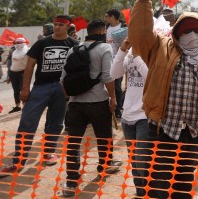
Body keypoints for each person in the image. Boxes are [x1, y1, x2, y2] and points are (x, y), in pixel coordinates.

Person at [129, 0, 198, 199]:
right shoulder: (160, 47)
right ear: (176, 32)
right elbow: (140, 33)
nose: (191, 34)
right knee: (158, 187)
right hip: (162, 130)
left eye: (196, 29)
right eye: (186, 29)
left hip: (194, 132)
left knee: (183, 187)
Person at [0, 15, 77, 176]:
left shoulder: (73, 44)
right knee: (27, 123)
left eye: (61, 25)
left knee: (55, 123)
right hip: (40, 87)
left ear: (68, 26)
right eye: (55, 24)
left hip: (61, 89)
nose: (56, 27)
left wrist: (70, 89)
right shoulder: (43, 42)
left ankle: (49, 153)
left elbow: (76, 68)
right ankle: (18, 160)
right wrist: (25, 88)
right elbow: (29, 66)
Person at [59, 20, 122, 197]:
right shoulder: (104, 48)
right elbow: (107, 76)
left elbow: (63, 78)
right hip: (97, 102)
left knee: (73, 142)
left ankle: (71, 180)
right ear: (102, 31)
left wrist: (69, 98)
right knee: (104, 137)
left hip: (75, 104)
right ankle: (105, 164)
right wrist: (113, 98)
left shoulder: (74, 49)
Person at [110, 37, 150, 198]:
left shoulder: (152, 53)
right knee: (134, 157)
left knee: (142, 158)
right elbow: (114, 73)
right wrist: (122, 50)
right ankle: (140, 191)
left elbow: (150, 77)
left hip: (144, 114)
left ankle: (148, 191)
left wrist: (137, 55)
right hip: (127, 114)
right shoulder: (129, 54)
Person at [105, 8, 125, 119]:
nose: (105, 18)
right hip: (106, 60)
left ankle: (118, 109)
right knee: (107, 85)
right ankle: (109, 106)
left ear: (112, 17)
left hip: (118, 61)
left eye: (107, 16)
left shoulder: (123, 27)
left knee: (117, 86)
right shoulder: (106, 27)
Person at [7, 38, 29, 114]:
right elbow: (13, 64)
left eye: (19, 43)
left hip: (23, 73)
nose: (17, 44)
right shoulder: (14, 52)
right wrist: (9, 76)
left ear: (23, 43)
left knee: (23, 90)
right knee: (16, 91)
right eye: (16, 43)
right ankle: (17, 106)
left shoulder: (28, 51)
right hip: (13, 73)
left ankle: (25, 106)